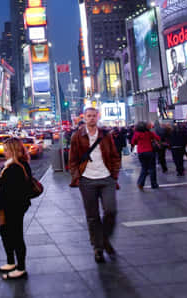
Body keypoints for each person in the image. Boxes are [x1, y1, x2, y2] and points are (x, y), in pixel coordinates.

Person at [68, 108, 121, 263]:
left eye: (93, 116)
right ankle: (98, 248)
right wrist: (78, 177)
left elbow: (114, 156)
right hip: (87, 180)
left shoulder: (105, 135)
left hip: (106, 178)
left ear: (98, 117)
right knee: (92, 217)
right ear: (84, 118)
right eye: (88, 116)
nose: (91, 118)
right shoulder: (77, 136)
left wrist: (114, 175)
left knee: (111, 210)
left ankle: (104, 238)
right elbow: (72, 160)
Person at [0, 138, 33, 281]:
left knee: (16, 235)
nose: (4, 152)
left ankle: (21, 268)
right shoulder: (13, 164)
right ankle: (10, 262)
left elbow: (11, 186)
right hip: (9, 205)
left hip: (15, 206)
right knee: (5, 233)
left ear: (13, 150)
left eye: (6, 150)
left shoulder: (17, 166)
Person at [131, 122, 161, 190]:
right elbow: (158, 138)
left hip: (141, 152)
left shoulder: (137, 134)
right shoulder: (149, 133)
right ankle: (154, 184)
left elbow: (133, 142)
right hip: (149, 151)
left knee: (144, 168)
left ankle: (140, 183)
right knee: (152, 168)